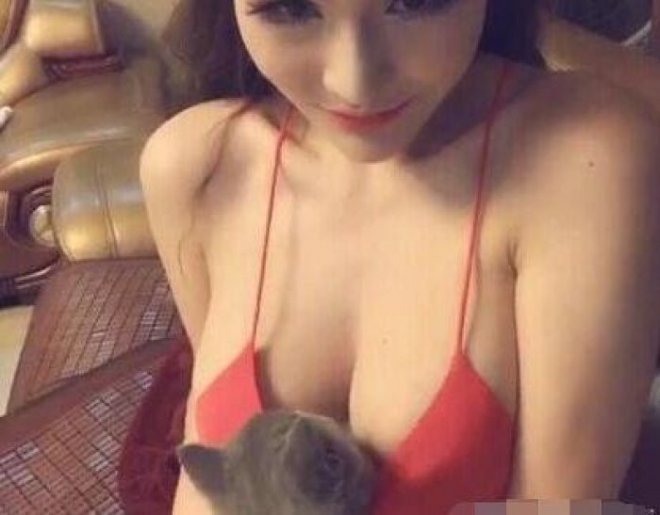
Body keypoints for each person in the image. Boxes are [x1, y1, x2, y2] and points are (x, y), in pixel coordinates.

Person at [138, 0, 660, 513]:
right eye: (291, 9)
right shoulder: (196, 166)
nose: (354, 84)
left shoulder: (584, 160)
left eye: (415, 2)